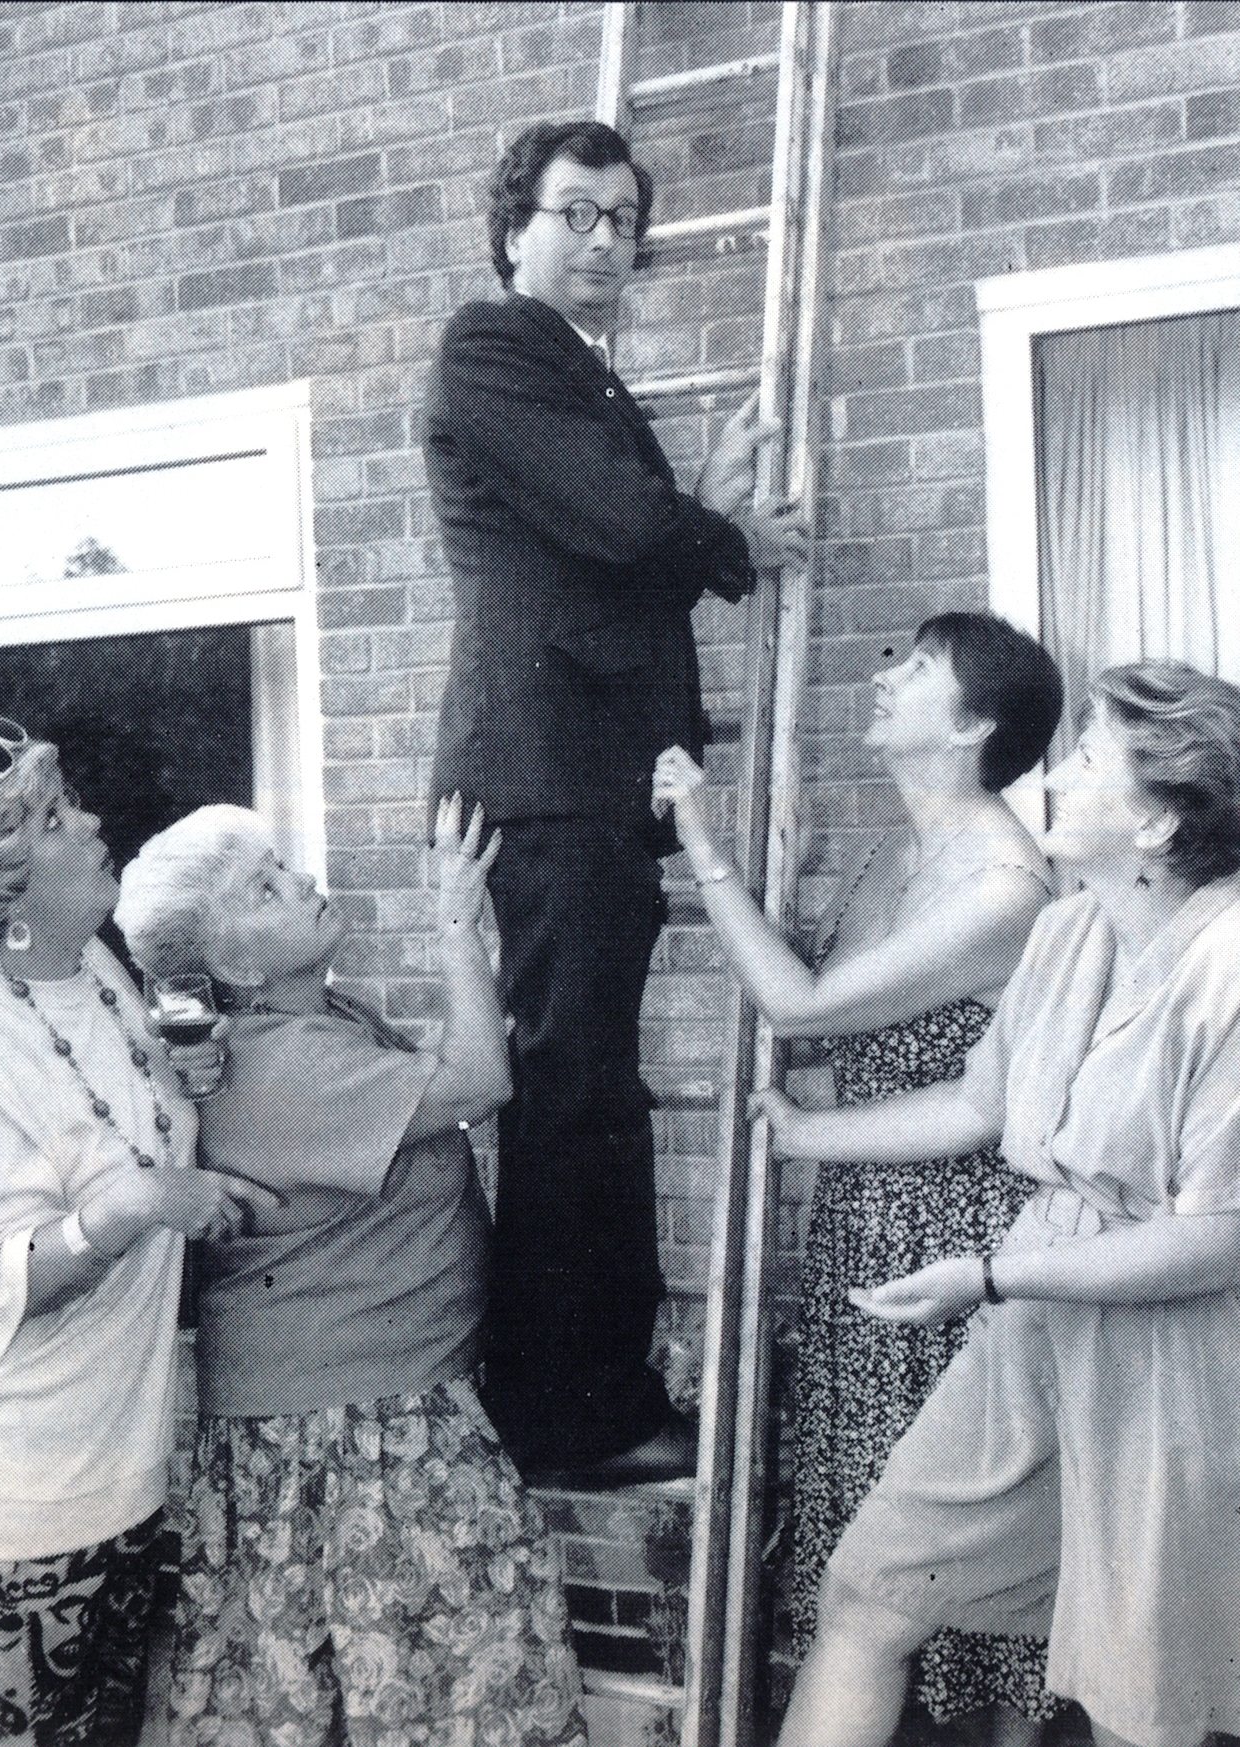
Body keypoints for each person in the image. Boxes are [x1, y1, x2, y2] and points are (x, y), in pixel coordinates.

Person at [751, 661, 1240, 1747]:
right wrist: (807, 1133)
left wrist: (991, 1276)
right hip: (1034, 1323)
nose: (1052, 778)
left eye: (1086, 760)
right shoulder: (1066, 933)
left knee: (1141, 1697)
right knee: (869, 1591)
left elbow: (1215, 1240)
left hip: (1176, 1353)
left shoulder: (1229, 969)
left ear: (1158, 824)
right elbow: (980, 1102)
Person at [422, 118, 808, 1484]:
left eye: (624, 221)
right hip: (544, 780)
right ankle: (573, 1412)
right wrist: (727, 536)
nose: (603, 240)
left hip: (578, 778)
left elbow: (611, 546)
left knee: (583, 1091)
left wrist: (690, 510)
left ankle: (582, 1394)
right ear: (512, 229)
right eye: (575, 213)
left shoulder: (576, 370)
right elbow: (626, 529)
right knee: (574, 1095)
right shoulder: (494, 345)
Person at [652, 612, 1064, 1740]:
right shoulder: (900, 847)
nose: (888, 678)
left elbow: (802, 1006)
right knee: (874, 1538)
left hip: (950, 1238)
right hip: (863, 1223)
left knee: (948, 1546)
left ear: (973, 726)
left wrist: (702, 842)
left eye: (920, 670)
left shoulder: (1003, 889)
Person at [114, 795, 588, 1747]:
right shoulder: (276, 1064)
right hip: (360, 1435)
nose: (301, 882)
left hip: (358, 1411)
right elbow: (478, 1083)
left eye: (280, 866)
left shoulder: (317, 1020)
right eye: (264, 889)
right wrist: (454, 919)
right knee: (453, 1703)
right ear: (238, 967)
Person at [0, 714, 274, 1747]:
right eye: (57, 818)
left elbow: (127, 1104)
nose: (94, 821)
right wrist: (142, 1202)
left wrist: (187, 1073)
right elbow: (0, 1278)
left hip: (128, 1470)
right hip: (24, 1506)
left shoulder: (94, 966)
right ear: (4, 882)